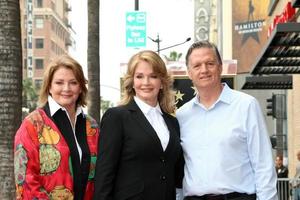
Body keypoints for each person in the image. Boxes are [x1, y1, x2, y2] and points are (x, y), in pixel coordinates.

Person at [176, 40, 278, 200]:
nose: (204, 70)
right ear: (189, 73)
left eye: (210, 63)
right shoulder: (182, 115)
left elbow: (263, 164)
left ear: (220, 67)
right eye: (197, 66)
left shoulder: (246, 106)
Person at [93, 50, 183, 200]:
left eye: (153, 76)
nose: (146, 82)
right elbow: (104, 174)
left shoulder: (172, 122)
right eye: (139, 76)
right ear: (132, 82)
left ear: (162, 82)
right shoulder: (116, 117)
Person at [14, 55, 99, 200]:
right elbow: (26, 181)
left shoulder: (92, 126)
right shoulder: (32, 124)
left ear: (80, 88)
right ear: (49, 87)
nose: (66, 88)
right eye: (59, 83)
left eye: (73, 82)